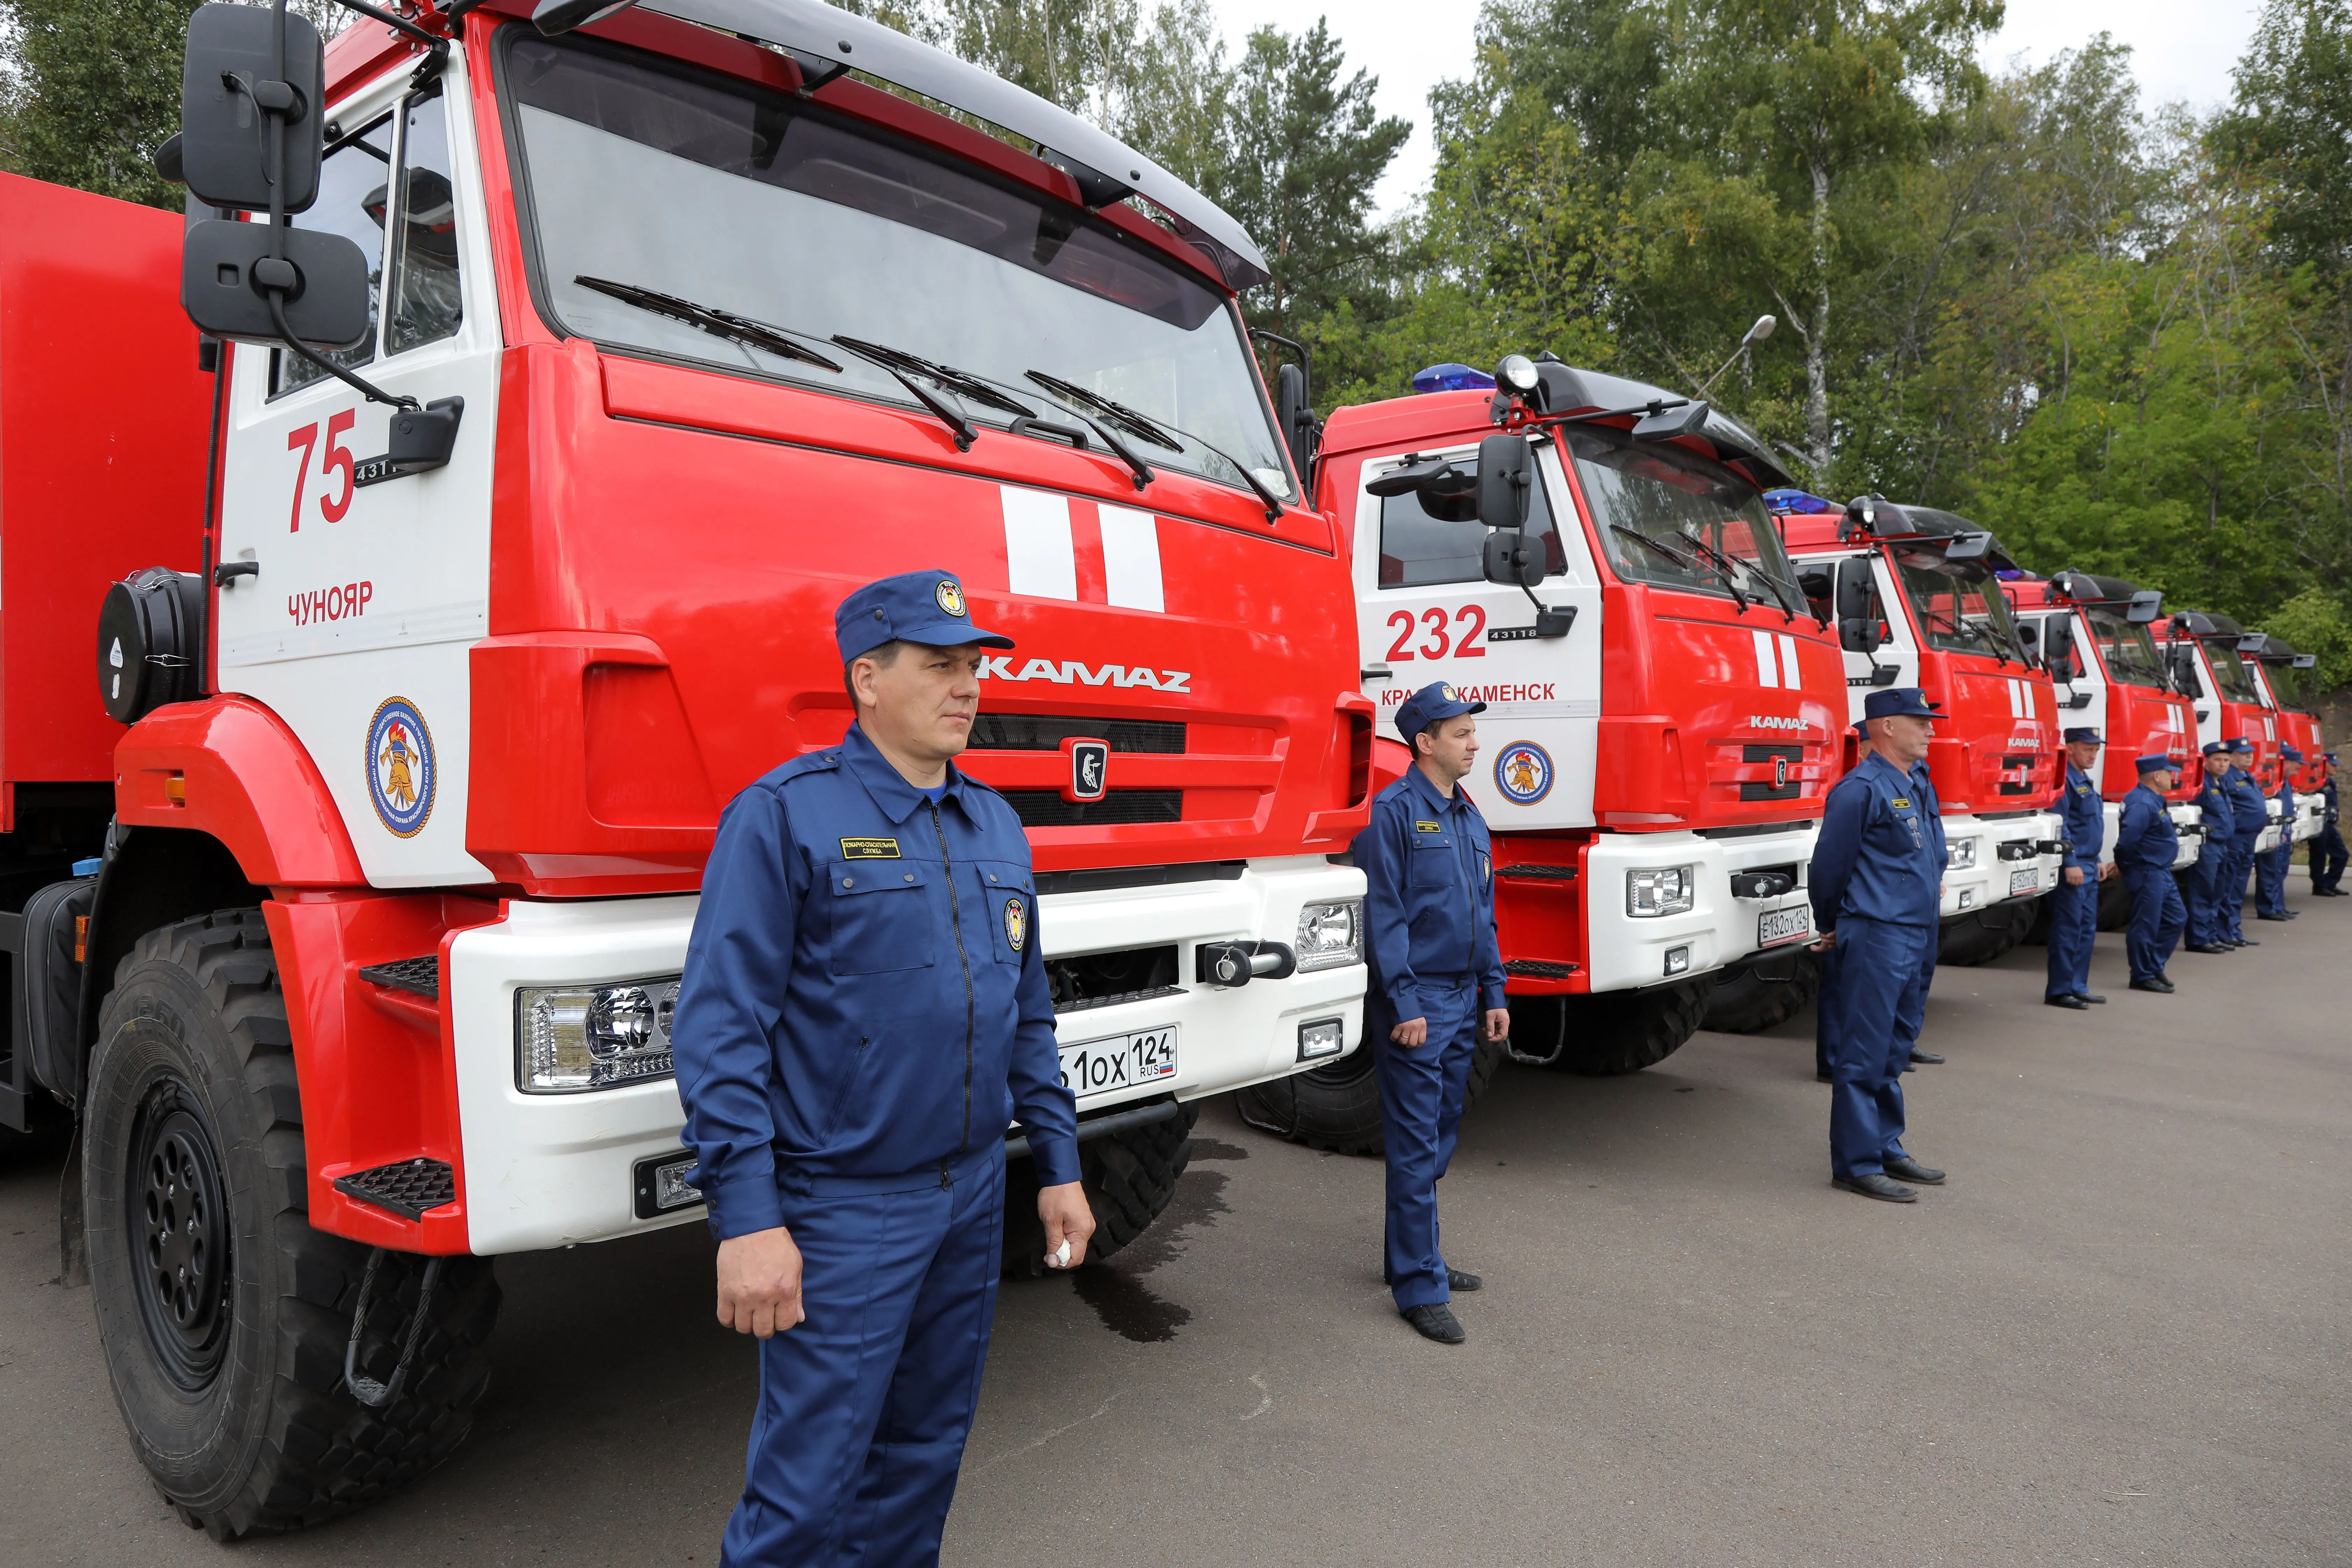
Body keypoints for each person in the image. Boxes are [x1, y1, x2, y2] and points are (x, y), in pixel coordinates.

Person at [670, 569, 1093, 1568]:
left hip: (973, 1195)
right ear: (866, 679)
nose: (968, 687)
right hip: (844, 1209)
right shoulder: (785, 816)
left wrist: (1062, 1166)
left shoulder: (993, 823)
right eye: (939, 666)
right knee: (807, 1493)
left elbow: (1025, 1011)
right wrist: (749, 1218)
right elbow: (721, 1029)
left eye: (975, 667)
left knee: (922, 1465)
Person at [1356, 682, 1510, 1344]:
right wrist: (1405, 1002)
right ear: (1425, 743)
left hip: (1463, 1000)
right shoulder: (1391, 814)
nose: (1476, 742)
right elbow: (1383, 917)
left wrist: (1496, 990)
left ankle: (1411, 1254)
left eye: (1473, 732)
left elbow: (1484, 911)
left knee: (1440, 1137)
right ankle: (1420, 1284)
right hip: (1417, 1004)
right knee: (1417, 1146)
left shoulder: (1469, 816)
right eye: (1462, 733)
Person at [1809, 687, 1949, 1203]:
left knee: (1896, 1045)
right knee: (1864, 1052)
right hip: (1879, 931)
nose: (1931, 730)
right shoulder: (1859, 789)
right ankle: (1855, 1163)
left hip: (1918, 930)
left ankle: (1886, 1143)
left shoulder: (1916, 782)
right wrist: (1832, 922)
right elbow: (1828, 867)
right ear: (1886, 727)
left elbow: (1929, 848)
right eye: (1921, 722)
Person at [2045, 727, 2116, 1009]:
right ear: (2070, 748)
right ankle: (2061, 990)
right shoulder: (2065, 780)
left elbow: (2089, 826)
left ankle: (2078, 985)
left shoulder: (2084, 780)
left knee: (2086, 928)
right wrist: (2071, 863)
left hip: (2089, 863)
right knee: (2068, 928)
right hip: (2075, 867)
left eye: (2096, 750)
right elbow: (2063, 826)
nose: (2093, 755)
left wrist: (2097, 859)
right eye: (2088, 749)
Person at [2113, 755, 2187, 993]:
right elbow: (2126, 843)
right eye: (2169, 773)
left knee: (2177, 917)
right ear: (2157, 776)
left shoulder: (2152, 799)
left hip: (2159, 871)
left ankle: (2153, 966)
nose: (2172, 777)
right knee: (2146, 925)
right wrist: (2127, 868)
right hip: (2147, 871)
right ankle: (2142, 975)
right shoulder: (2143, 803)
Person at [2180, 742, 2238, 955]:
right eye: (2218, 760)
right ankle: (2198, 938)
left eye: (2226, 760)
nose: (2223, 765)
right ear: (2206, 761)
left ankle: (2211, 935)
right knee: (2203, 892)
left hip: (2222, 846)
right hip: (2208, 845)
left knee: (2218, 892)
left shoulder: (2220, 783)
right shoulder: (2202, 784)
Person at [2220, 738, 2267, 946]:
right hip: (2236, 839)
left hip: (2249, 839)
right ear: (2232, 756)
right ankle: (2224, 932)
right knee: (2228, 887)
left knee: (2239, 887)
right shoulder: (2228, 777)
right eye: (2244, 753)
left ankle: (2234, 930)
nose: (2249, 756)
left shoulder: (2247, 776)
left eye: (2251, 753)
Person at [2255, 745, 2302, 920]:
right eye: (2297, 767)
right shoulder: (2274, 782)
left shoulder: (2284, 782)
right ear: (2287, 763)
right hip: (2276, 831)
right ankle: (2268, 908)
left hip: (2285, 831)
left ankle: (2278, 905)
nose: (2298, 771)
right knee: (2270, 871)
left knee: (2280, 871)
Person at [2312, 752, 2346, 896]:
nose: (2336, 769)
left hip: (2329, 824)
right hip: (2319, 823)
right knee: (2319, 856)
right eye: (2333, 765)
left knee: (2342, 854)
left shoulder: (2330, 782)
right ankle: (2319, 886)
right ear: (2324, 764)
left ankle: (2330, 883)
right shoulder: (2315, 782)